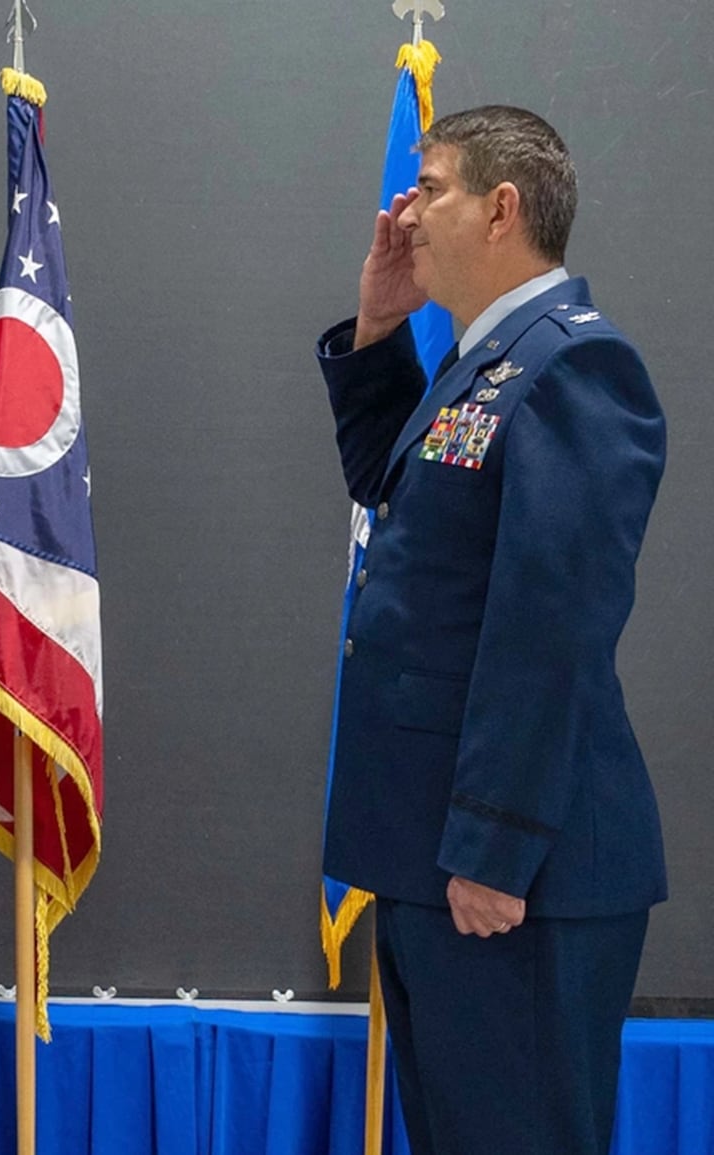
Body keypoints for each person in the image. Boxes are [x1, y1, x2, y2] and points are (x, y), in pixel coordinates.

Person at [315, 106, 666, 1154]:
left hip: (511, 870)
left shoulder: (573, 368)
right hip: (438, 850)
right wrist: (379, 333)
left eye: (428, 188)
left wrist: (495, 851)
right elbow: (396, 492)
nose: (404, 211)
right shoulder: (485, 364)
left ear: (502, 207)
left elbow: (546, 631)